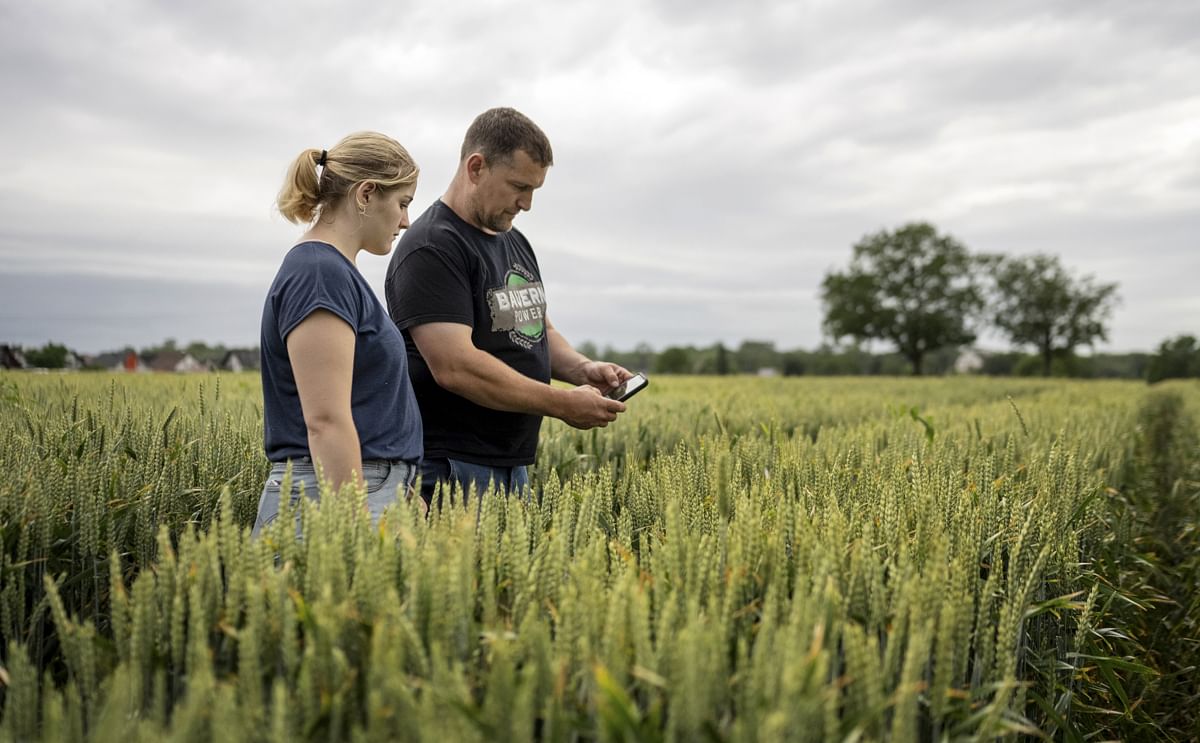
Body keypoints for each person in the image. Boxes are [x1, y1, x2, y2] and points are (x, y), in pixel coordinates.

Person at [385, 107, 631, 506]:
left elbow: (539, 331)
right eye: (519, 186)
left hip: (511, 464)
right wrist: (561, 403)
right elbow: (454, 367)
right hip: (451, 466)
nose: (527, 203)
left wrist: (583, 369)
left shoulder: (513, 241)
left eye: (534, 189)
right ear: (477, 167)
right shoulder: (433, 247)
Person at [253, 131, 426, 539]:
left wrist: (400, 488)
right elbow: (326, 422)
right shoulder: (319, 273)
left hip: (359, 488)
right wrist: (353, 526)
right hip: (335, 495)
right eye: (402, 203)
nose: (405, 221)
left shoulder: (332, 272)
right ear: (366, 194)